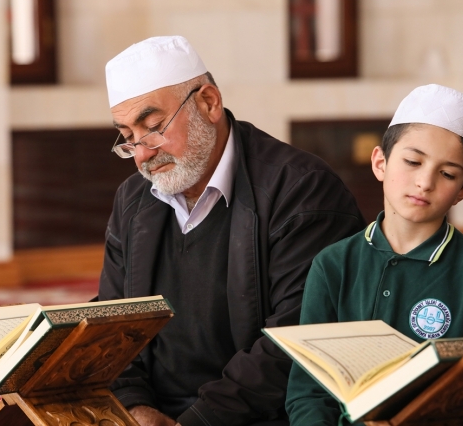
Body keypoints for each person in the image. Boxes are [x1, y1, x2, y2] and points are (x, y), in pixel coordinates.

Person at [97, 35, 365, 426]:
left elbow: (294, 342)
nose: (142, 154)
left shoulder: (302, 191)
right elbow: (113, 324)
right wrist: (136, 408)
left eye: (153, 127)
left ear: (209, 102)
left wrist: (198, 422)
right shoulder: (133, 199)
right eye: (127, 137)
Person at [285, 84, 463, 425]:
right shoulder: (333, 265)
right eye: (413, 161)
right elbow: (307, 391)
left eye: (447, 174)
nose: (424, 182)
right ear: (380, 163)